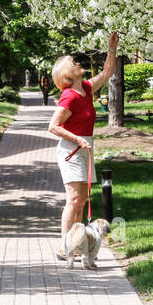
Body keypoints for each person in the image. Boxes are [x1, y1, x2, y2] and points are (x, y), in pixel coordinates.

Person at [48, 32, 118, 260]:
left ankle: (76, 245)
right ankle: (64, 247)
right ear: (67, 74)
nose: (78, 63)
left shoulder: (86, 89)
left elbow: (107, 73)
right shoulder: (69, 97)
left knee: (81, 200)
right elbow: (54, 126)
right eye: (74, 63)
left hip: (84, 147)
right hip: (72, 150)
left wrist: (111, 48)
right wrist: (78, 139)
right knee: (74, 200)